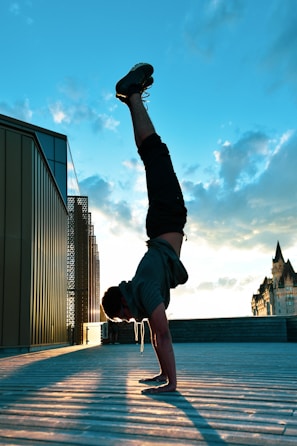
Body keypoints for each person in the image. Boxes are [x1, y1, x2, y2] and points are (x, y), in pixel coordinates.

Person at [102, 63, 188, 394]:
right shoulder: (139, 289)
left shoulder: (144, 291)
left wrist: (172, 384)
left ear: (123, 304)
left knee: (155, 154)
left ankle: (133, 95)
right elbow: (156, 333)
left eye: (124, 318)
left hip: (167, 218)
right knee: (152, 156)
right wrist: (163, 377)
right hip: (161, 223)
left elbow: (162, 333)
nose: (130, 320)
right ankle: (131, 98)